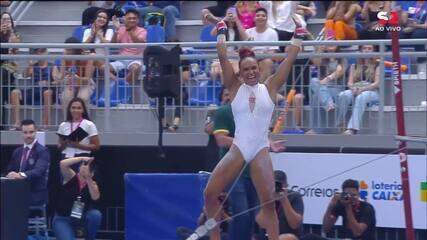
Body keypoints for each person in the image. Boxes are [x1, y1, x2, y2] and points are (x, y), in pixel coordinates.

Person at [203, 19, 301, 240]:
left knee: (268, 206)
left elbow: (289, 61)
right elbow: (222, 56)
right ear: (241, 71)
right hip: (239, 148)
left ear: (259, 68)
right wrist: (221, 31)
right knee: (209, 194)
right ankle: (215, 237)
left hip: (260, 150)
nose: (250, 72)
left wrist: (298, 37)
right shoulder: (234, 87)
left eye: (253, 68)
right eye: (245, 69)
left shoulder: (270, 87)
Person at [53, 156, 102, 240]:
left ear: (92, 173)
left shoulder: (92, 184)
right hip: (63, 218)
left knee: (96, 215)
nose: (83, 168)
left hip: (81, 218)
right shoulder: (71, 177)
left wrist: (88, 178)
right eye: (82, 165)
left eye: (87, 167)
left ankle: (89, 238)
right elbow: (63, 164)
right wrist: (82, 158)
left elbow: (95, 197)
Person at [10, 48, 60, 130]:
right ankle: (17, 123)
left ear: (46, 53)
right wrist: (29, 65)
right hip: (34, 90)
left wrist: (48, 83)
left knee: (47, 92)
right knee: (15, 92)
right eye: (39, 52)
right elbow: (25, 75)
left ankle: (45, 125)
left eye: (43, 51)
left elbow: (57, 81)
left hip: (47, 91)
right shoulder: (33, 66)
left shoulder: (52, 66)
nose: (41, 54)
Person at [5, 119, 51, 206]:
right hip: (17, 190)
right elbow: (10, 169)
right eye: (25, 132)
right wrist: (10, 174)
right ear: (21, 133)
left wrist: (20, 175)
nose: (28, 135)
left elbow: (38, 171)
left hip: (35, 193)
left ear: (36, 132)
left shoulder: (43, 151)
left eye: (31, 132)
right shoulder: (17, 152)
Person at [336, 44, 380, 135]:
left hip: (371, 91)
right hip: (356, 88)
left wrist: (363, 89)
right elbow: (349, 83)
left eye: (369, 48)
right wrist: (353, 88)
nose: (367, 50)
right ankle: (340, 124)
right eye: (364, 48)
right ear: (361, 51)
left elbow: (377, 84)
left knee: (361, 97)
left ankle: (352, 128)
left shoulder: (378, 65)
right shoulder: (354, 65)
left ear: (373, 51)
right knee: (343, 95)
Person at [306, 43, 346, 134]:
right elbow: (316, 62)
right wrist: (319, 49)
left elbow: (339, 71)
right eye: (328, 42)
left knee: (317, 96)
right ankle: (328, 104)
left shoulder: (342, 58)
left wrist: (327, 79)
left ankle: (316, 130)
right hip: (322, 88)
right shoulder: (323, 59)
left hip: (336, 87)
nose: (331, 44)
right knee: (314, 81)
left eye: (333, 42)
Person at [109, 8, 147, 103]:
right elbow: (113, 45)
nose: (132, 20)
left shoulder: (142, 31)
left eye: (134, 18)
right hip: (121, 59)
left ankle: (123, 86)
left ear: (138, 20)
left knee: (135, 68)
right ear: (125, 19)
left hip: (136, 58)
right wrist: (116, 30)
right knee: (103, 67)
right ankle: (119, 82)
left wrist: (129, 30)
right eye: (129, 18)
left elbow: (137, 42)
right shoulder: (121, 29)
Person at [54, 37, 96, 116]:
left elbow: (87, 79)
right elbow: (62, 75)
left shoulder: (88, 57)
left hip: (85, 83)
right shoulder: (65, 55)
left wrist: (77, 78)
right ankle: (68, 122)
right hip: (71, 82)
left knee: (82, 98)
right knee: (66, 98)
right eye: (66, 49)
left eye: (69, 49)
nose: (66, 51)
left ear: (76, 50)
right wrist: (57, 77)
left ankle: (85, 123)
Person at [245, 7, 279, 83]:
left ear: (267, 18)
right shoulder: (248, 32)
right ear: (254, 18)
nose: (260, 17)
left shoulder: (272, 32)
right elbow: (245, 50)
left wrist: (259, 57)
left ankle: (260, 87)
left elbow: (272, 52)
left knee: (267, 62)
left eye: (263, 16)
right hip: (250, 59)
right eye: (258, 15)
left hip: (264, 59)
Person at [1, 12, 20, 129]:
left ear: (12, 22)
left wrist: (10, 33)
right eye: (3, 20)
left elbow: (15, 49)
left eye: (8, 20)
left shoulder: (15, 35)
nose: (6, 22)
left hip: (8, 69)